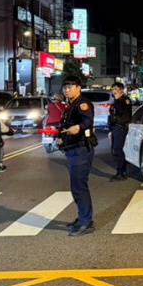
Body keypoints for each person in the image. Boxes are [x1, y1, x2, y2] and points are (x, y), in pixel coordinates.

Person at [56, 75, 96, 236]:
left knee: (79, 187)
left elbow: (87, 121)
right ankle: (82, 218)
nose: (67, 90)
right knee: (76, 187)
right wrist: (59, 136)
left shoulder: (83, 104)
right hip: (72, 149)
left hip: (81, 150)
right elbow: (64, 124)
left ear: (78, 88)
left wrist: (78, 127)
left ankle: (86, 222)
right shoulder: (70, 105)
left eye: (70, 87)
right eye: (65, 87)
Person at [108, 82, 133, 181]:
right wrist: (110, 130)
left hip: (121, 127)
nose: (114, 91)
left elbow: (122, 111)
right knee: (115, 150)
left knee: (117, 149)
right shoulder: (116, 101)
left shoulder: (125, 100)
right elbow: (111, 116)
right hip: (115, 128)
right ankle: (119, 171)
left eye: (116, 89)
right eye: (113, 89)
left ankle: (122, 173)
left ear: (121, 90)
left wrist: (118, 99)